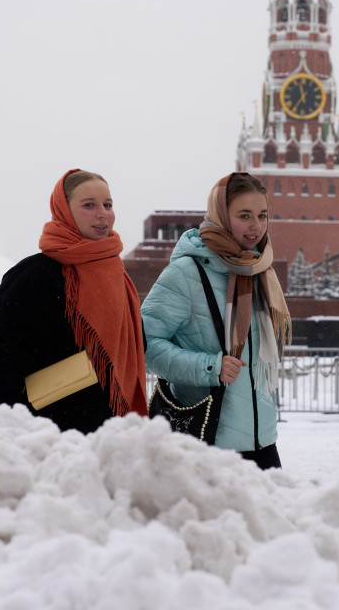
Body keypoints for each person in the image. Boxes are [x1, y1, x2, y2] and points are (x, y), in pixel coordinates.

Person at [0, 169, 147, 433]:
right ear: (64, 210)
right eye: (89, 205)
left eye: (107, 205)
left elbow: (135, 347)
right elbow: (1, 360)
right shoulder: (34, 275)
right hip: (44, 433)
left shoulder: (119, 277)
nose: (103, 213)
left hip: (110, 434)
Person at [141, 172, 292, 470]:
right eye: (244, 215)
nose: (255, 226)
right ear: (221, 216)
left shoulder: (259, 269)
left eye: (262, 215)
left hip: (262, 441)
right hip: (207, 439)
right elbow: (146, 344)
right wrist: (210, 366)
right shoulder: (187, 272)